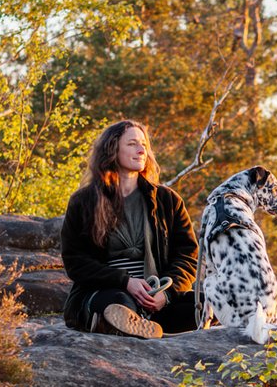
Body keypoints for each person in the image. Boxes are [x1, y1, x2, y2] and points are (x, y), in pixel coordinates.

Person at [61, 120, 198, 338]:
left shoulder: (167, 200)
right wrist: (126, 282)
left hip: (157, 298)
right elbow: (75, 261)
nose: (142, 150)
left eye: (143, 144)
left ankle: (141, 325)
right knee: (118, 303)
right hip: (109, 291)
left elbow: (188, 256)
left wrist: (167, 295)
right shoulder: (84, 201)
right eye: (132, 144)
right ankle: (128, 322)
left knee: (206, 302)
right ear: (112, 149)